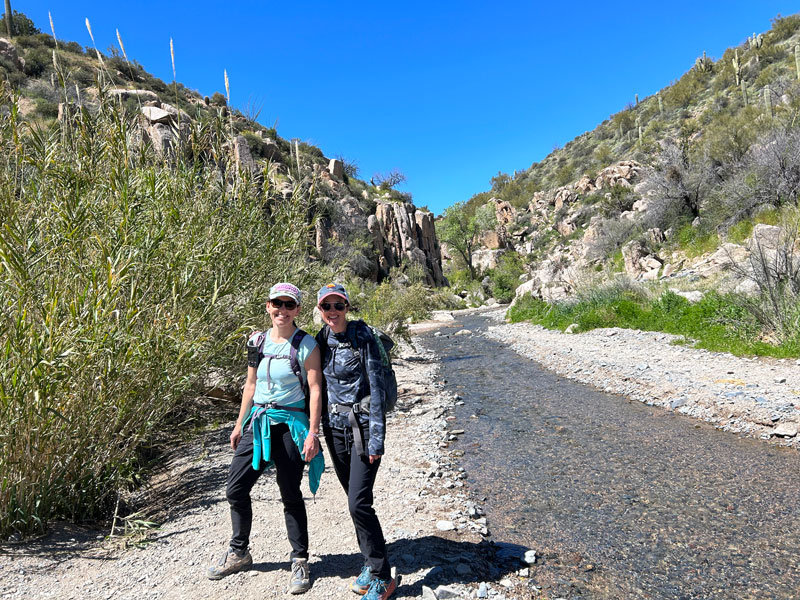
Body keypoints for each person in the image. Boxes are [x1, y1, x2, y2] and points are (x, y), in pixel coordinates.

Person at [207, 282, 324, 595]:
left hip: (290, 425)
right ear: (268, 306)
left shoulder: (306, 345)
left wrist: (313, 432)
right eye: (277, 304)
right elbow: (250, 383)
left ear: (298, 310)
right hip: (257, 422)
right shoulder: (256, 341)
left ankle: (299, 559)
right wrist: (238, 424)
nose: (282, 310)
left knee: (289, 492)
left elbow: (315, 389)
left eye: (289, 305)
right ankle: (239, 552)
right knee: (235, 487)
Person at [314, 283, 397, 600]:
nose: (333, 312)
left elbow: (376, 389)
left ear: (347, 307)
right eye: (327, 307)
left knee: (358, 503)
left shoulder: (362, 337)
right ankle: (370, 562)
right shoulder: (321, 339)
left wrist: (377, 439)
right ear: (320, 310)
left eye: (338, 306)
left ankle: (381, 577)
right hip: (335, 431)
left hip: (363, 430)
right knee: (356, 502)